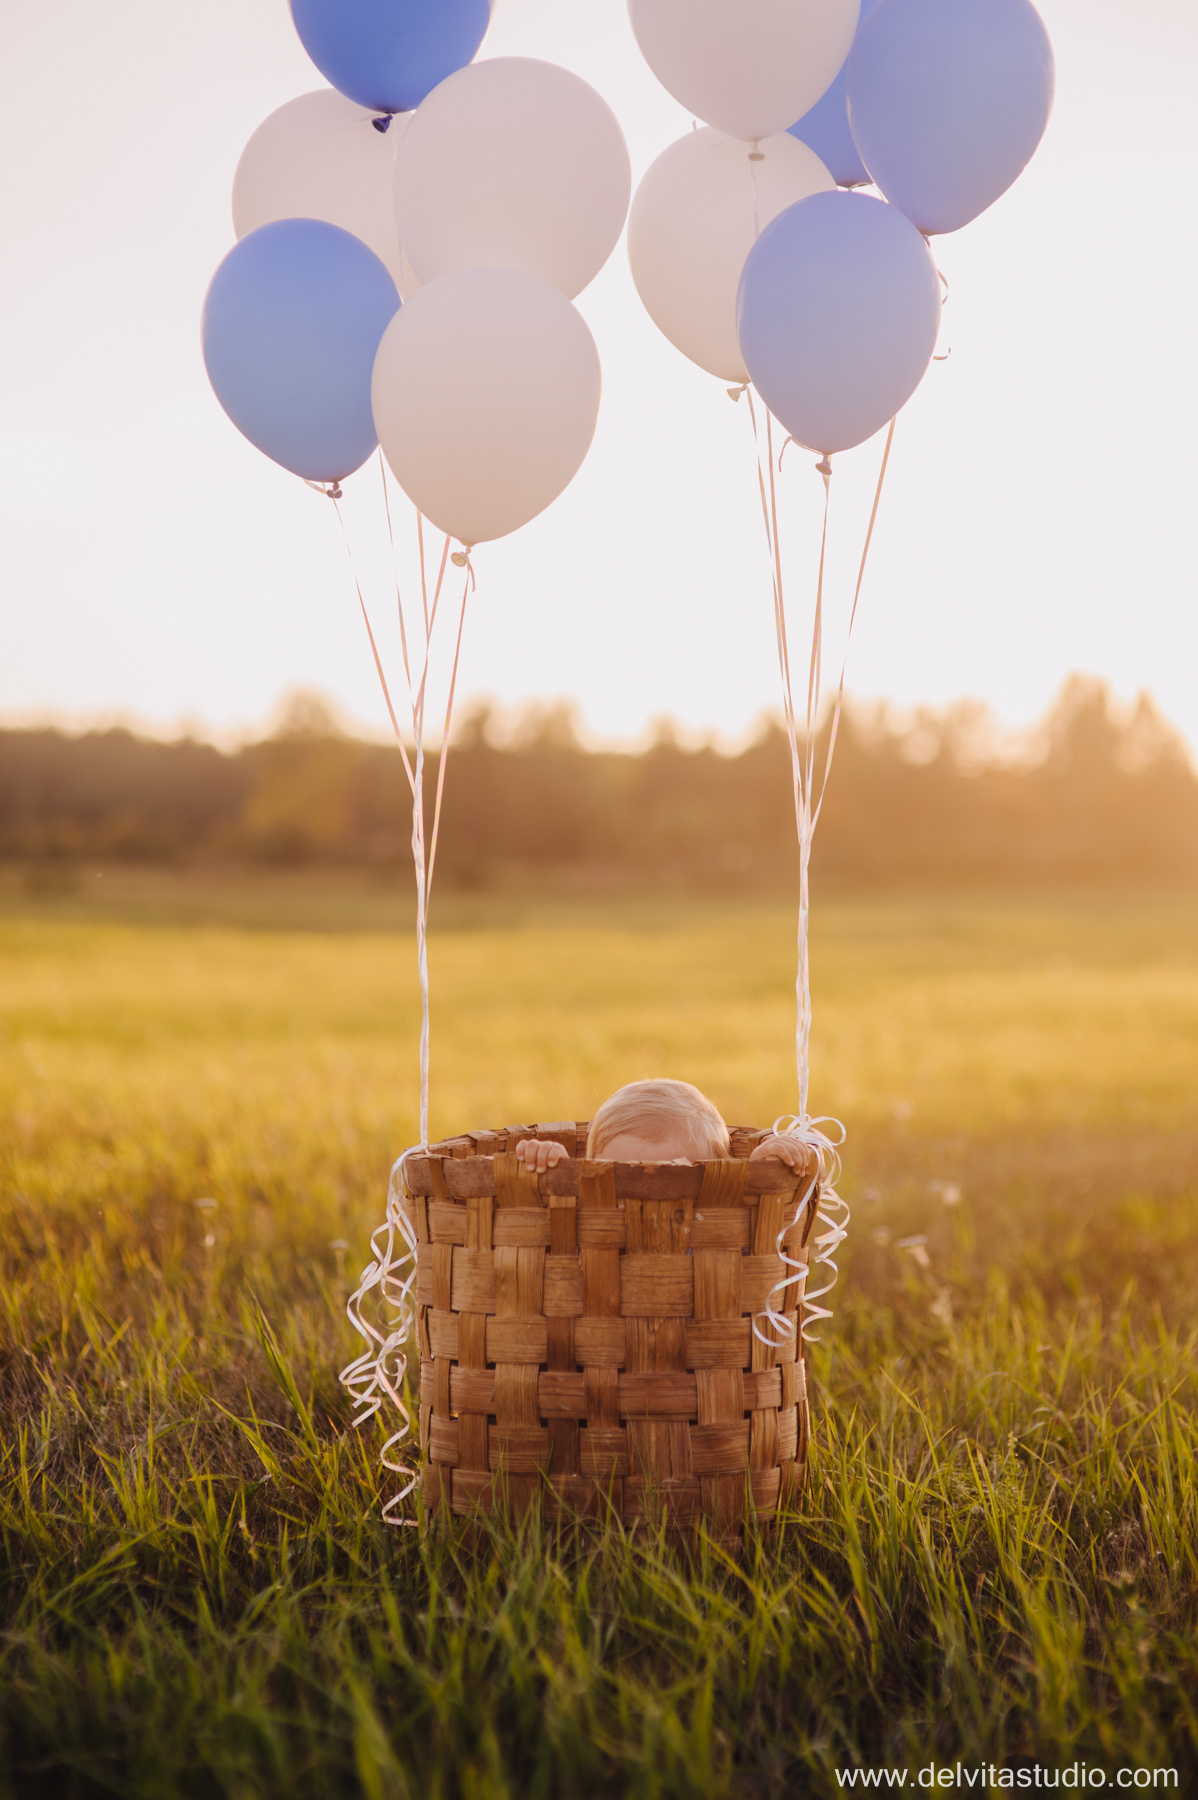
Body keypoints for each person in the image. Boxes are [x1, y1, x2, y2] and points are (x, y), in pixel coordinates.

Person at [514, 1077, 809, 1172]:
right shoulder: (586, 1228)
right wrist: (555, 1174)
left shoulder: (721, 1235)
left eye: (672, 1173)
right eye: (617, 1176)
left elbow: (813, 1176)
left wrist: (760, 1174)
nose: (643, 1192)